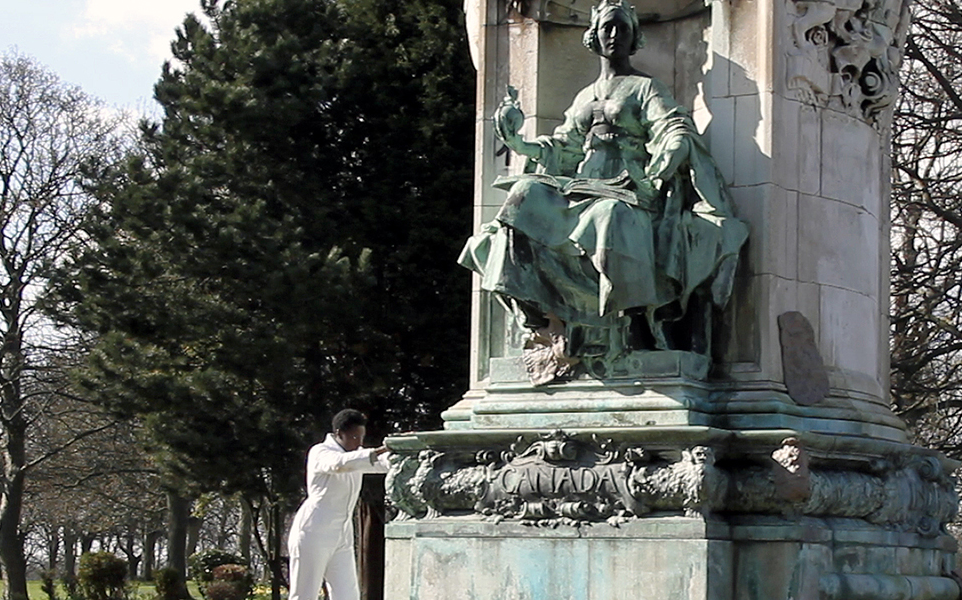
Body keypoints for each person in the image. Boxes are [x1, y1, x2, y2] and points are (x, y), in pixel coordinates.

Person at [458, 0, 748, 371]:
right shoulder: (584, 96)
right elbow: (562, 147)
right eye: (607, 28)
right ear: (593, 37)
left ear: (634, 38)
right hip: (584, 185)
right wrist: (517, 141)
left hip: (630, 187)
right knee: (523, 196)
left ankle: (631, 327)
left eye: (622, 28)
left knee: (611, 217)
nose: (614, 35)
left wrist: (670, 151)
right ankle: (538, 313)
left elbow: (672, 127)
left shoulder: (645, 88)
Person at [287, 409, 390, 600]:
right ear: (338, 433)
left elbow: (382, 463)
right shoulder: (321, 452)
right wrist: (380, 450)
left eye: (361, 437)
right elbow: (339, 464)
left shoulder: (357, 455)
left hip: (342, 535)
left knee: (348, 596)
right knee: (304, 595)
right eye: (353, 436)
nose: (358, 442)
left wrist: (402, 449)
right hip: (313, 532)